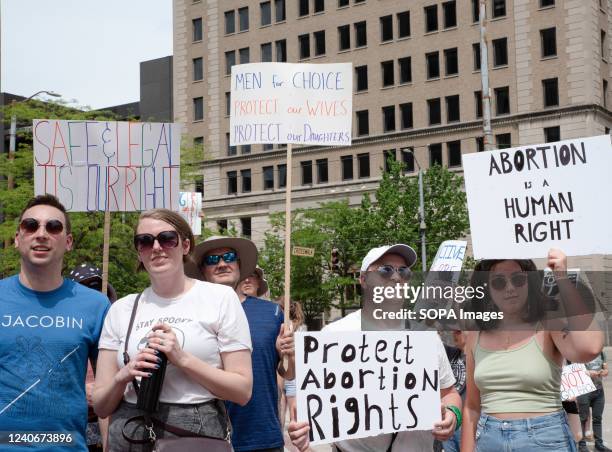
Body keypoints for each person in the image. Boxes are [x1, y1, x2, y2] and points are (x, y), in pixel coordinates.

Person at [93, 210, 253, 451]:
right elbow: (101, 406)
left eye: (167, 238)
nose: (156, 247)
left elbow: (242, 391)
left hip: (193, 431)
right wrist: (124, 374)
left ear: (185, 245)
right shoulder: (121, 309)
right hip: (130, 431)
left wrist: (182, 359)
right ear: (139, 251)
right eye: (145, 241)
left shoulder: (220, 298)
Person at [288, 244, 461, 452]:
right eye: (385, 270)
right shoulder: (334, 336)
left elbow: (450, 393)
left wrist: (452, 414)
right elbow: (308, 408)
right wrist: (302, 433)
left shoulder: (424, 336)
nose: (396, 278)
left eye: (404, 271)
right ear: (363, 280)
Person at [461, 249, 604, 452]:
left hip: (546, 439)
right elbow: (472, 407)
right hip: (488, 439)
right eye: (499, 282)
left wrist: (562, 279)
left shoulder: (547, 324)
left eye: (518, 279)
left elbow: (590, 348)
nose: (510, 288)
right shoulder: (476, 334)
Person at [0, 194, 110, 451]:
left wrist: (109, 446)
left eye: (53, 227)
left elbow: (106, 397)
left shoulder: (96, 306)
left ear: (68, 241)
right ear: (18, 238)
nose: (41, 234)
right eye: (30, 226)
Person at [186, 236, 295, 452]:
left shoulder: (272, 313)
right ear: (201, 270)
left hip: (262, 436)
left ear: (238, 265)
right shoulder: (188, 313)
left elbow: (288, 373)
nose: (222, 263)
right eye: (213, 260)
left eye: (229, 257)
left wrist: (290, 355)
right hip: (204, 436)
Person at [68, 263, 119, 452]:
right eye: (84, 288)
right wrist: (82, 390)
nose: (92, 294)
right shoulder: (65, 332)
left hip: (113, 422)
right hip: (73, 426)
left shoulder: (122, 331)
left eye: (97, 288)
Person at [577, 351, 610, 452]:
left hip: (599, 390)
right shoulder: (578, 352)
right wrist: (587, 373)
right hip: (584, 390)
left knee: (597, 418)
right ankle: (582, 445)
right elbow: (573, 369)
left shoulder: (601, 353)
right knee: (583, 418)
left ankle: (598, 444)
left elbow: (606, 369)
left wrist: (605, 372)